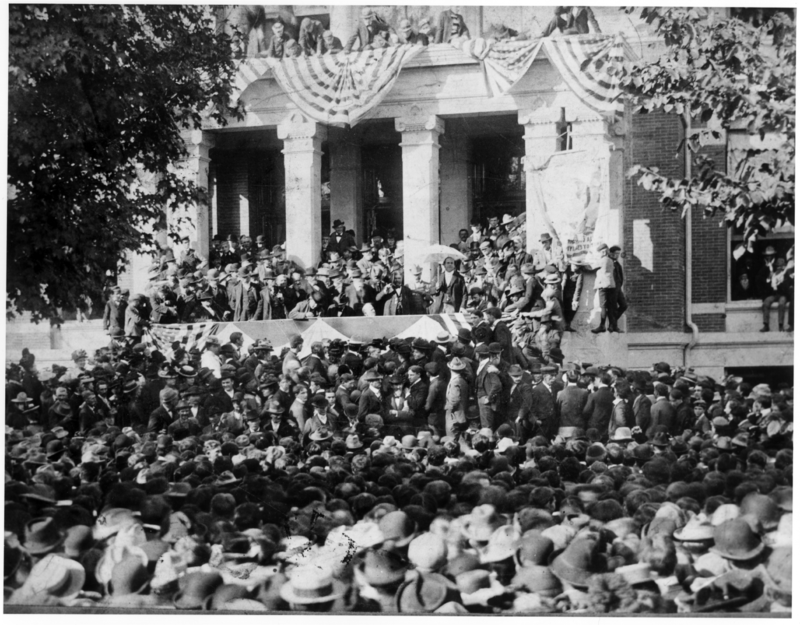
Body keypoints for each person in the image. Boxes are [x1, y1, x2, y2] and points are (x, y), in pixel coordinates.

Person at [591, 243, 619, 334]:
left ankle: (602, 326)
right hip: (611, 286)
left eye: (600, 252)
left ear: (603, 252)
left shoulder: (602, 260)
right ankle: (611, 325)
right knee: (611, 306)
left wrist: (580, 265)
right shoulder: (610, 260)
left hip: (603, 286)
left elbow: (590, 268)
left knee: (603, 306)